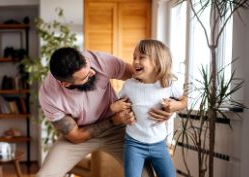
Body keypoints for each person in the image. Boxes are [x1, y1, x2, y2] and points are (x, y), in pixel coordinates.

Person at [37, 47, 175, 177]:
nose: (92, 72)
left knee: (144, 175)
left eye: (88, 65)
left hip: (118, 130)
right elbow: (76, 136)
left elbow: (142, 76)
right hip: (81, 135)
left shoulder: (99, 61)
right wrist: (115, 119)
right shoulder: (49, 96)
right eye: (85, 76)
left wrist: (170, 106)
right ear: (66, 84)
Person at [110, 39, 187, 177]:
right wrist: (114, 107)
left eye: (141, 57)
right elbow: (114, 104)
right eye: (134, 57)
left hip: (159, 144)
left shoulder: (168, 84)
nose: (135, 61)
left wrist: (176, 105)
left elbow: (184, 101)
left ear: (157, 62)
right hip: (134, 144)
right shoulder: (129, 85)